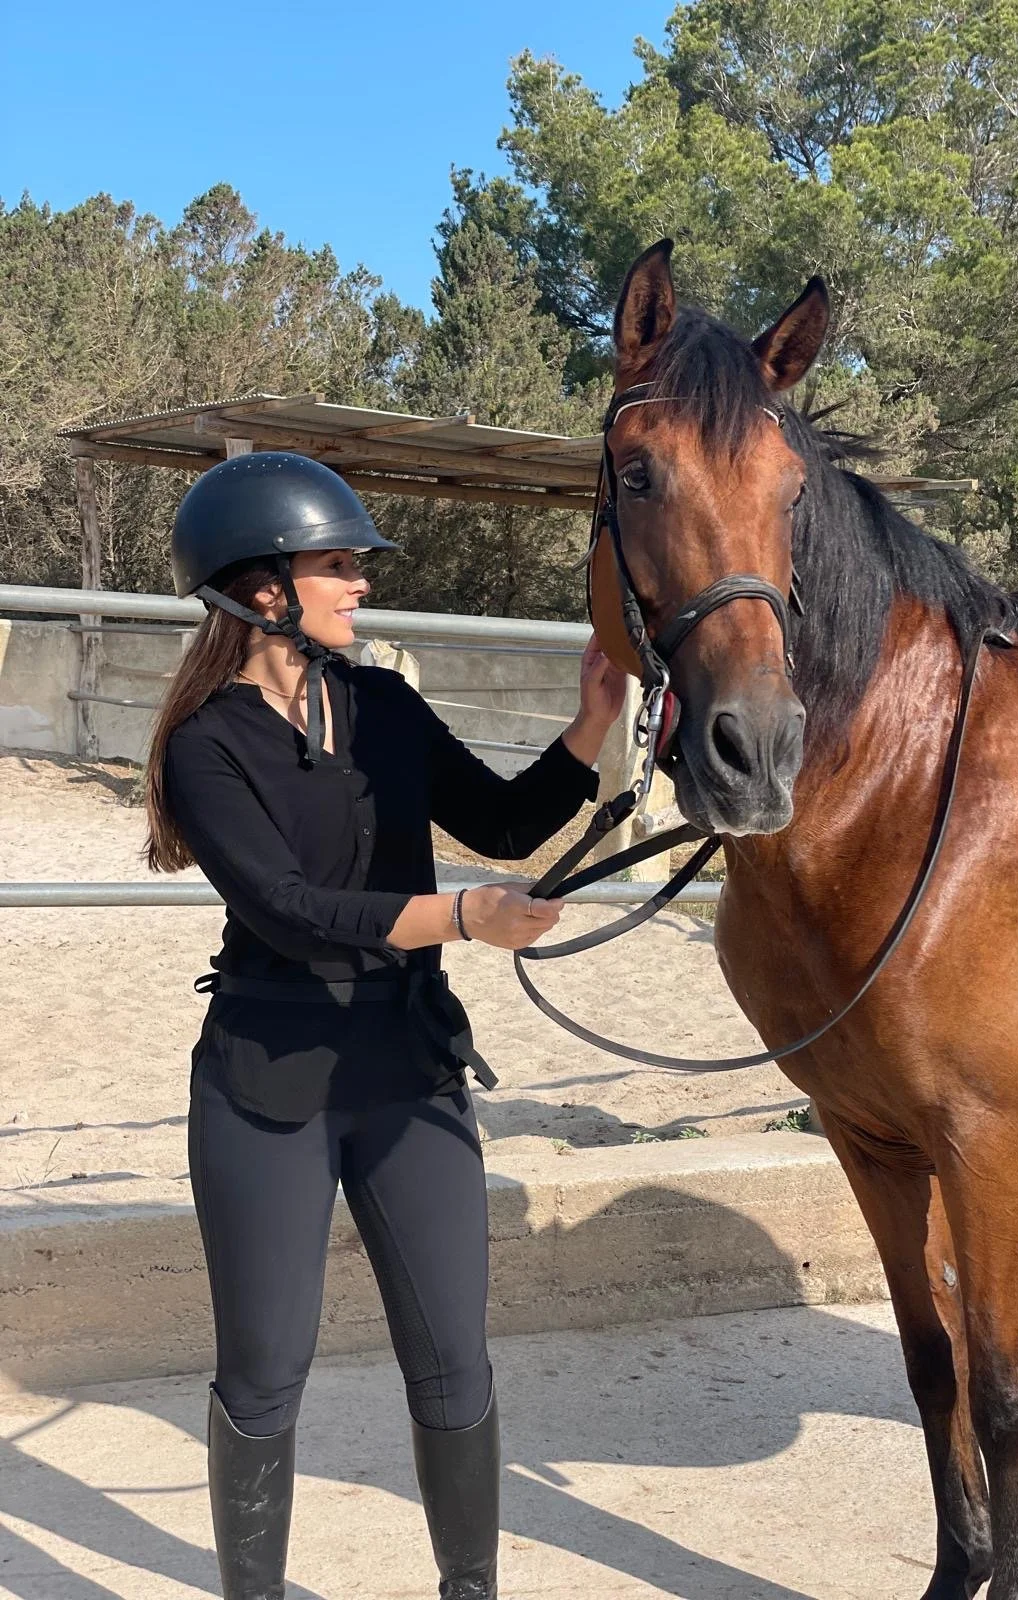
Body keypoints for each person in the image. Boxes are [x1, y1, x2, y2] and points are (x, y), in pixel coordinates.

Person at [143, 451, 626, 1600]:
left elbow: (505, 821)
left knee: (456, 1362)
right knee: (264, 1373)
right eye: (339, 566)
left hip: (407, 1070)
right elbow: (292, 912)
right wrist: (462, 915)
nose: (361, 586)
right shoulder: (206, 745)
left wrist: (590, 724)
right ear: (264, 588)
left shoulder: (385, 705)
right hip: (267, 1085)